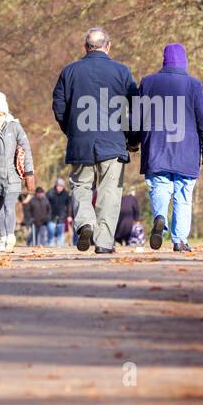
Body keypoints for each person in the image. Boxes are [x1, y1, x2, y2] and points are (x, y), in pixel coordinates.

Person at [52, 27, 139, 253]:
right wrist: (133, 137)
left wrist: (71, 131)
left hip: (81, 140)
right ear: (108, 46)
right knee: (109, 192)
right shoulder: (122, 72)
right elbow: (138, 106)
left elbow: (59, 106)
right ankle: (103, 242)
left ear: (85, 47)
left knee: (81, 186)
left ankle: (85, 223)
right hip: (113, 142)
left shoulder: (69, 72)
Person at [136, 43, 203, 252]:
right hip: (186, 150)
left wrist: (133, 141)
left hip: (156, 147)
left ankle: (160, 218)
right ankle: (179, 240)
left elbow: (137, 116)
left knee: (159, 186)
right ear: (184, 61)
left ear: (164, 60)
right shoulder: (194, 85)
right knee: (183, 194)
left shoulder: (148, 82)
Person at [0, 91, 34, 251]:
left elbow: (26, 148)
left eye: (1, 114)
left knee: (9, 205)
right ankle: (3, 237)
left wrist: (29, 173)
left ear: (6, 113)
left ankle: (10, 236)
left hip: (13, 175)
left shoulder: (15, 126)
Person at [45, 177, 72, 246]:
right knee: (51, 235)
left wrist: (69, 215)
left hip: (62, 217)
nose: (60, 188)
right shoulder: (50, 193)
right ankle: (50, 247)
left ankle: (60, 248)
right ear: (56, 185)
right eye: (58, 186)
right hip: (51, 217)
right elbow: (45, 204)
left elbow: (69, 205)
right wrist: (46, 214)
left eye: (61, 186)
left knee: (61, 235)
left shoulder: (65, 194)